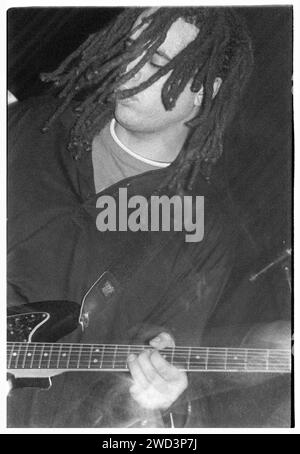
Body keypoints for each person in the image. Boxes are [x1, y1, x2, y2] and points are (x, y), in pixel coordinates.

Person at [7, 7, 255, 427]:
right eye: (130, 47)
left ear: (204, 94)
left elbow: (164, 359)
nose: (128, 68)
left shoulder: (201, 231)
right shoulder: (34, 125)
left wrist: (163, 392)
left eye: (156, 61)